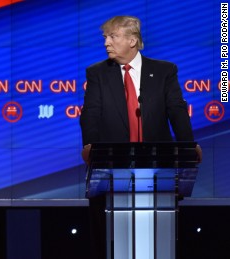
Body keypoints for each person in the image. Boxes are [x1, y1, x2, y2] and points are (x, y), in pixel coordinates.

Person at [79, 16, 202, 259]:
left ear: (132, 40)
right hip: (112, 167)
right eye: (105, 37)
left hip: (157, 167)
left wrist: (189, 146)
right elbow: (90, 113)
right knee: (109, 238)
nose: (106, 43)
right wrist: (89, 146)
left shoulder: (164, 70)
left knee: (158, 236)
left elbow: (176, 110)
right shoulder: (97, 73)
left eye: (112, 36)